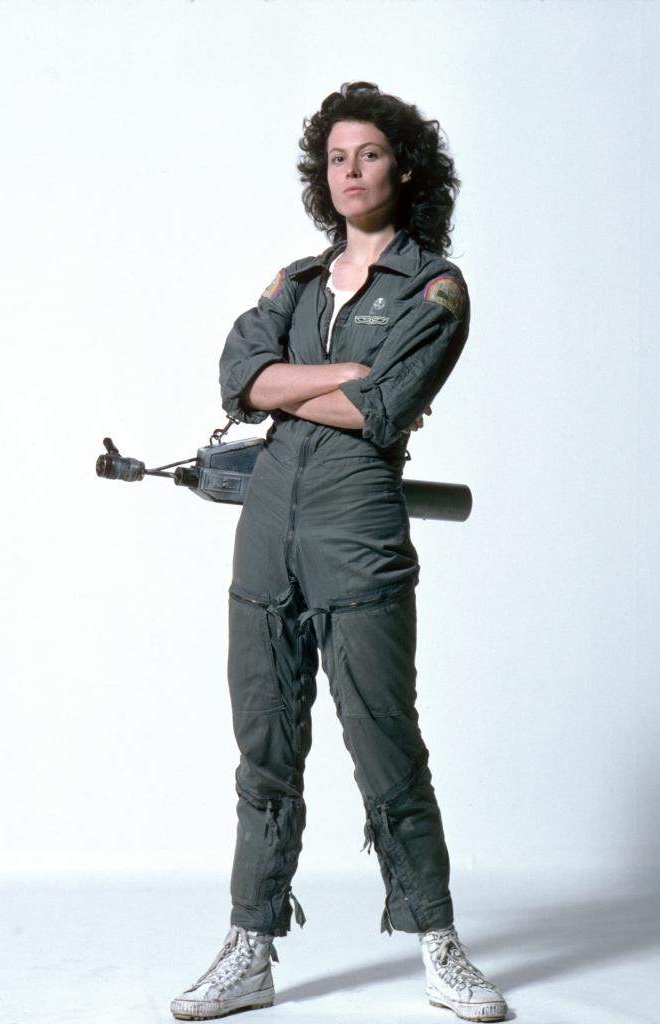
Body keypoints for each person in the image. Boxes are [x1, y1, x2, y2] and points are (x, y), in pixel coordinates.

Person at [170, 82, 507, 1023]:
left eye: (369, 154)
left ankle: (439, 942)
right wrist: (339, 376)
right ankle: (250, 945)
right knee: (264, 744)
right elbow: (238, 376)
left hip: (357, 525)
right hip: (266, 526)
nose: (350, 171)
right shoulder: (296, 282)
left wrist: (294, 387)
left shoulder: (434, 287)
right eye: (335, 158)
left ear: (405, 168)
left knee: (383, 738)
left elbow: (383, 405)